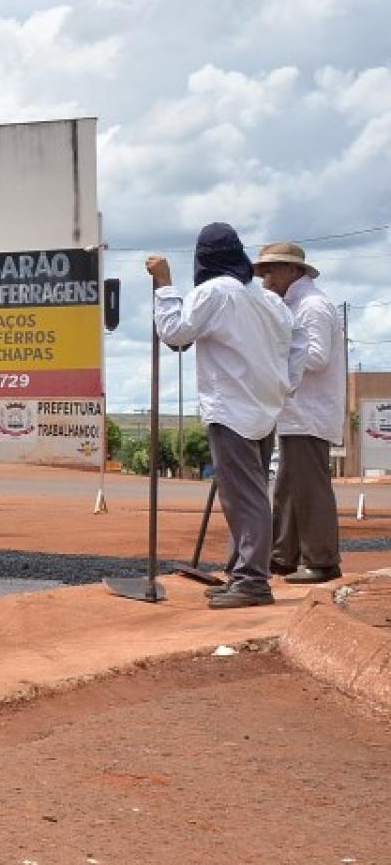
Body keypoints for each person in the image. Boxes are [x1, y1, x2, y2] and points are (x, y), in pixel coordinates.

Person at [147, 223, 295, 609]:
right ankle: (240, 572)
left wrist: (164, 285)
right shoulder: (267, 299)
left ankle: (252, 581)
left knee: (245, 498)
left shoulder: (214, 292)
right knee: (247, 495)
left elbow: (175, 333)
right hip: (264, 405)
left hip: (232, 408)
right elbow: (291, 345)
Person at [255, 241, 344, 584]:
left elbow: (318, 357)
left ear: (293, 270)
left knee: (308, 488)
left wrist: (275, 351)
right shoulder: (295, 305)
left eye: (271, 270)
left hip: (310, 413)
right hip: (298, 413)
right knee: (289, 488)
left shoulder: (312, 306)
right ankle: (283, 556)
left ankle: (322, 560)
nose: (266, 278)